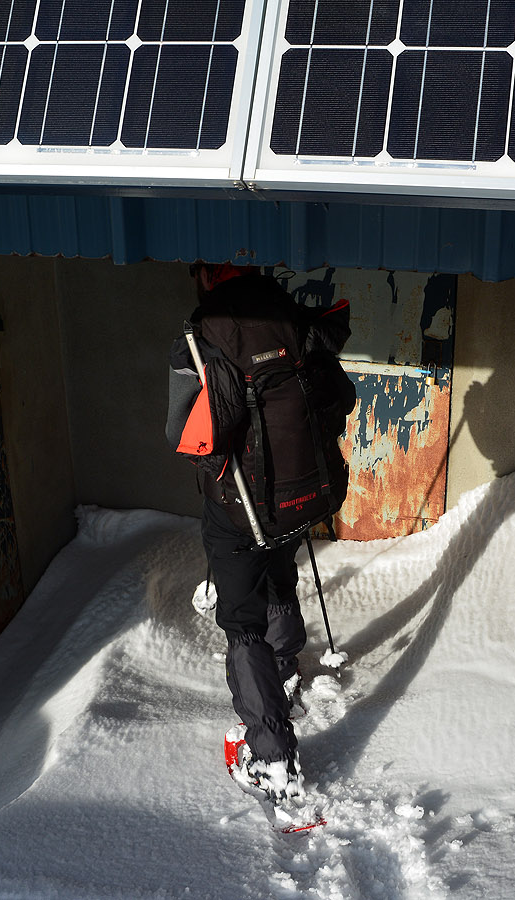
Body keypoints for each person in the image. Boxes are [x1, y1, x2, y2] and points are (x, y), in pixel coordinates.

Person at [166, 261, 353, 804]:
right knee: (277, 571)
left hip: (239, 506)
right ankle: (285, 667)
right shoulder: (297, 322)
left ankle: (273, 760)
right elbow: (340, 400)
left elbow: (182, 433)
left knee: (243, 623)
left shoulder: (201, 338)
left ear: (209, 276)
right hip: (301, 496)